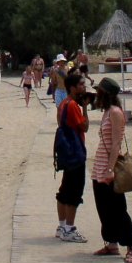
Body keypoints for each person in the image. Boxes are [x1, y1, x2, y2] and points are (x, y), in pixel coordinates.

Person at [90, 77, 132, 263]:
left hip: (109, 167)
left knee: (118, 208)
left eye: (99, 92)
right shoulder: (107, 112)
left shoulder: (116, 113)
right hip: (99, 167)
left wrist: (110, 169)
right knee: (104, 207)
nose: (96, 95)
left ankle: (130, 247)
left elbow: (116, 142)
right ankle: (111, 243)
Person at [55, 72, 89, 243]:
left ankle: (62, 226)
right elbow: (84, 127)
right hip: (75, 152)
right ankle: (69, 228)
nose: (84, 87)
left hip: (65, 151)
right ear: (73, 87)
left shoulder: (62, 104)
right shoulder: (73, 105)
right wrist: (85, 108)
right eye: (81, 84)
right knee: (74, 191)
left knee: (64, 189)